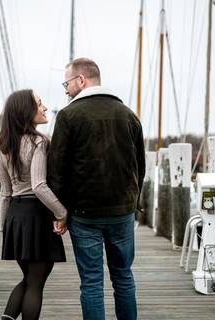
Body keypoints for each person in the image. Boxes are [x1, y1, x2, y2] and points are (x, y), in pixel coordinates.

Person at [47, 58, 145, 320]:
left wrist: (60, 213)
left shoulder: (68, 116)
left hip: (84, 214)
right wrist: (134, 204)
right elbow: (140, 167)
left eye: (66, 83)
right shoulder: (128, 115)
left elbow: (56, 170)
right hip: (122, 212)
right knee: (123, 276)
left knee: (91, 282)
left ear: (81, 80)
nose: (65, 90)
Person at [0, 89, 68, 320]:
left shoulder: (2, 146)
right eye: (39, 104)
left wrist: (5, 228)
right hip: (36, 215)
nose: (44, 108)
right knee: (35, 284)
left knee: (29, 280)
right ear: (26, 111)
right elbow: (39, 185)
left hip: (15, 215)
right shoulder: (39, 142)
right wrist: (63, 213)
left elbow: (5, 193)